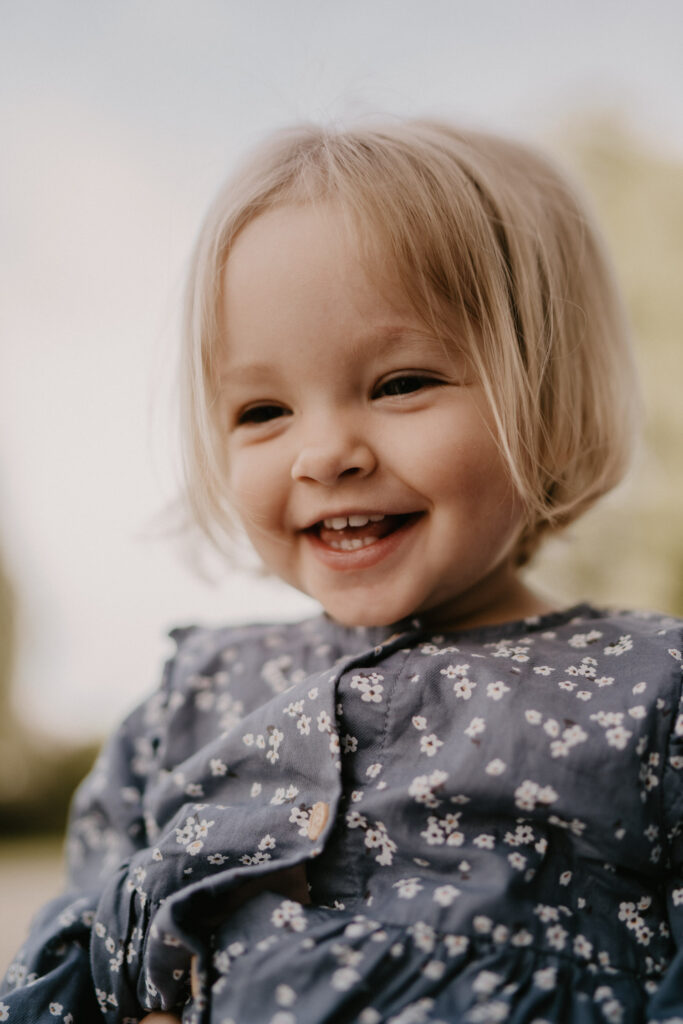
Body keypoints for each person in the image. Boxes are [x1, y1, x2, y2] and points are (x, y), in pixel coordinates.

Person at [1, 120, 681, 1024]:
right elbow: (77, 942)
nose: (322, 453)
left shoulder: (647, 691)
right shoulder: (189, 700)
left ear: (548, 395)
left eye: (400, 384)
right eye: (263, 409)